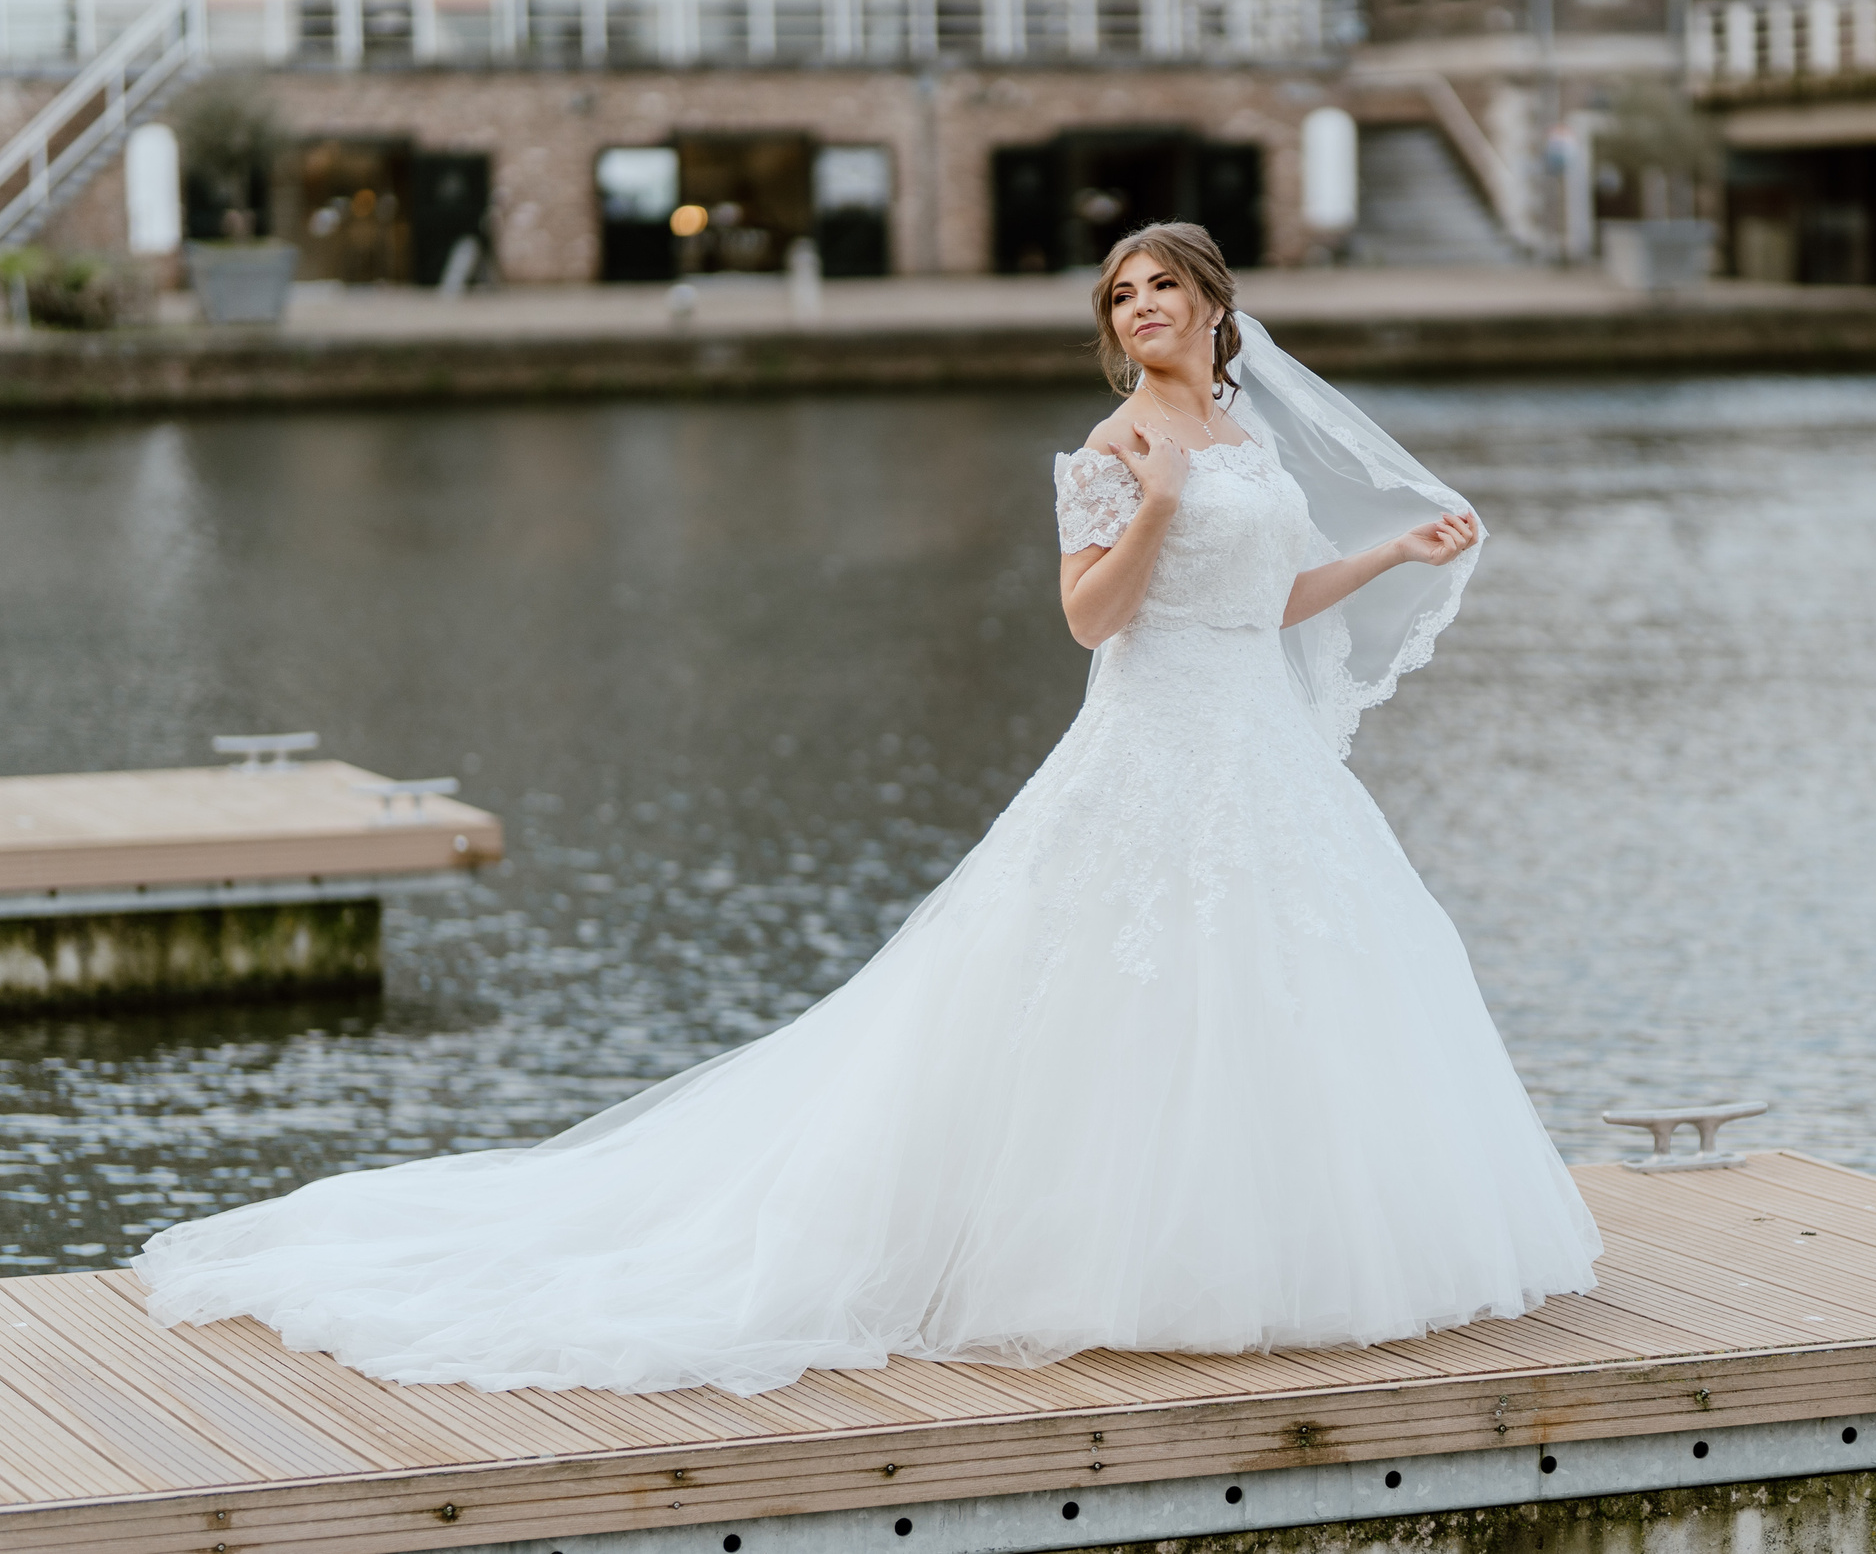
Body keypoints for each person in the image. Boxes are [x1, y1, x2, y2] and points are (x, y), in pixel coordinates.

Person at [135, 222, 1602, 1397]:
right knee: (1115, 989)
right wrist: (1151, 503)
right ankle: (1090, 1260)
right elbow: (1092, 622)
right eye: (1121, 294)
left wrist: (1390, 554)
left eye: (1162, 286)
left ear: (1216, 305)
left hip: (1260, 750)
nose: (1141, 307)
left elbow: (1261, 604)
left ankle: (1292, 1246)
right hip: (1151, 745)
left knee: (1289, 983)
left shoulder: (1251, 443)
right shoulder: (1109, 455)